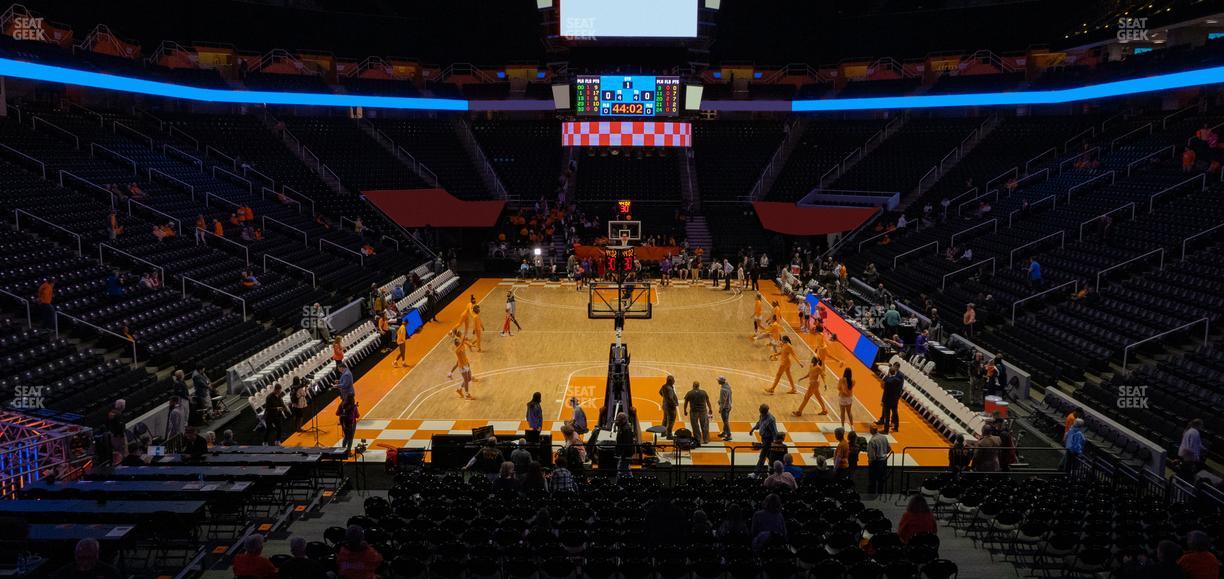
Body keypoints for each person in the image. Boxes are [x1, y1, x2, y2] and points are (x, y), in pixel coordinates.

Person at [50, 538, 121, 579]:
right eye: (81, 557)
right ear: (75, 555)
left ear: (96, 555)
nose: (85, 561)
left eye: (89, 557)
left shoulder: (110, 573)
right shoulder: (63, 574)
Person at [749, 404, 778, 470]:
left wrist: (775, 443)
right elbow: (759, 423)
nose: (759, 409)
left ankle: (756, 473)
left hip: (768, 440)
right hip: (764, 439)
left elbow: (774, 432)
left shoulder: (771, 420)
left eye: (760, 408)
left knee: (762, 456)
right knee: (769, 455)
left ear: (764, 410)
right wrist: (753, 429)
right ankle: (775, 468)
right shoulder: (762, 415)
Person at [683, 381, 712, 446]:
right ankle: (706, 439)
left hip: (694, 412)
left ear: (693, 385)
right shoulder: (703, 392)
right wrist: (710, 409)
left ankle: (698, 439)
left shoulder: (689, 393)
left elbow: (686, 402)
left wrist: (685, 410)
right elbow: (708, 401)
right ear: (699, 386)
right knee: (705, 426)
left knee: (695, 426)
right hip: (703, 411)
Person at [447, 336, 475, 400]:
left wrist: (470, 345)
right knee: (466, 380)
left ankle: (459, 389)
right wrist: (463, 337)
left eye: (459, 341)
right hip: (462, 367)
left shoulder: (462, 346)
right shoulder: (456, 350)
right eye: (458, 341)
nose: (459, 342)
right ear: (456, 344)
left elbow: (464, 344)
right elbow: (462, 342)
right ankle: (467, 395)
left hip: (466, 364)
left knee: (469, 379)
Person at [866, 424, 892, 495]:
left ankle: (872, 495)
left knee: (872, 480)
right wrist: (883, 453)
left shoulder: (872, 441)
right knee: (881, 480)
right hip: (884, 461)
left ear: (871, 430)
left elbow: (872, 456)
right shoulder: (884, 437)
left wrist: (870, 462)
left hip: (876, 462)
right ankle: (881, 494)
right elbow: (889, 448)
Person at [879, 364, 903, 433]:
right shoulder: (898, 380)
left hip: (887, 401)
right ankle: (896, 427)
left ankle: (886, 430)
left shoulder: (888, 381)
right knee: (895, 413)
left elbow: (885, 392)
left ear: (889, 372)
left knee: (887, 415)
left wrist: (883, 401)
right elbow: (899, 389)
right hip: (895, 400)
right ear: (895, 372)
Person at [614, 412, 634, 478]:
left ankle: (620, 482)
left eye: (618, 420)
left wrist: (621, 454)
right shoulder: (624, 427)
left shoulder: (625, 430)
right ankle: (631, 481)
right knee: (626, 469)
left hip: (625, 454)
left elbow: (625, 444)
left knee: (620, 468)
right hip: (626, 453)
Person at [659, 375, 679, 439]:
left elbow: (660, 392)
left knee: (665, 420)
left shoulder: (663, 386)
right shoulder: (669, 388)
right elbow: (670, 398)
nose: (674, 381)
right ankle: (669, 435)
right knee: (671, 421)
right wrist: (674, 404)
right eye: (673, 380)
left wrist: (665, 398)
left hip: (665, 405)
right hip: (670, 407)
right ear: (670, 381)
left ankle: (663, 433)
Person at [717, 376, 733, 441]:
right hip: (729, 406)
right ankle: (724, 432)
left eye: (718, 380)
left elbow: (723, 400)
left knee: (725, 421)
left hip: (725, 407)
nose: (717, 381)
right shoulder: (728, 386)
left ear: (721, 381)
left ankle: (729, 435)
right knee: (726, 420)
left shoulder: (723, 390)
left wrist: (720, 408)